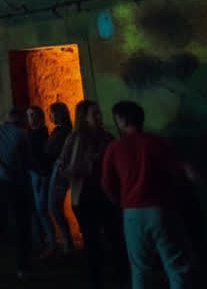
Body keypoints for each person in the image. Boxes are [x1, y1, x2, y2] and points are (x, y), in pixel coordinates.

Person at [101, 100, 195, 288]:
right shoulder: (158, 141)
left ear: (122, 120)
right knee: (176, 266)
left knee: (140, 269)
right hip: (162, 209)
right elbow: (177, 171)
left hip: (132, 212)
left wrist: (120, 202)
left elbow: (106, 184)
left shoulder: (114, 147)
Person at [60, 100, 125, 289]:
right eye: (94, 114)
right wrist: (89, 164)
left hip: (106, 194)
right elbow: (64, 165)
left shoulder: (107, 137)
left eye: (99, 113)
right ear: (84, 117)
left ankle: (122, 277)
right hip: (85, 195)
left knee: (115, 237)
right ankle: (97, 280)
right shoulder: (75, 138)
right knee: (91, 240)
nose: (99, 117)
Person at [0, 108, 32, 279]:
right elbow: (27, 159)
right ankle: (22, 268)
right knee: (22, 225)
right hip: (16, 183)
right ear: (20, 119)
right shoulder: (21, 134)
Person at [43, 102, 75, 258]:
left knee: (54, 207)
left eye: (52, 113)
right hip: (61, 170)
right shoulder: (66, 131)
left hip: (60, 171)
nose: (50, 116)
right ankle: (67, 242)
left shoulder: (61, 132)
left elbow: (50, 151)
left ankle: (67, 243)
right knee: (55, 207)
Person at [26, 106, 54, 255]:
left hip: (40, 174)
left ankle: (51, 241)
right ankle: (42, 241)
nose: (29, 118)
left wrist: (40, 172)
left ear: (39, 117)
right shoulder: (30, 133)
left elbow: (43, 156)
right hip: (33, 173)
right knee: (37, 210)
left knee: (41, 209)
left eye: (32, 115)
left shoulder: (42, 134)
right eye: (28, 115)